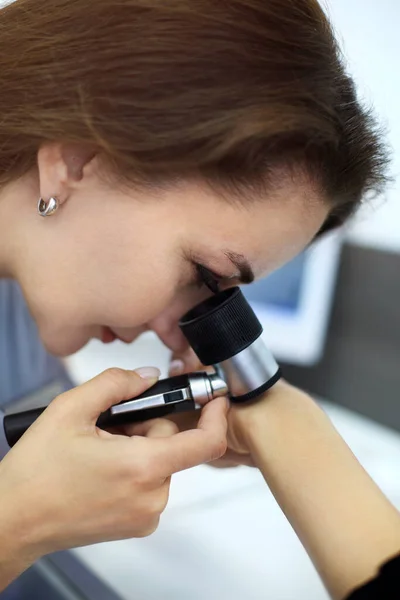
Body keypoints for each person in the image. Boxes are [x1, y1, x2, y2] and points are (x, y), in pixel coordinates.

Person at [0, 0, 398, 597]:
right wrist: (17, 525)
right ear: (76, 162)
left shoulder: (25, 306)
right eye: (202, 275)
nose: (177, 334)